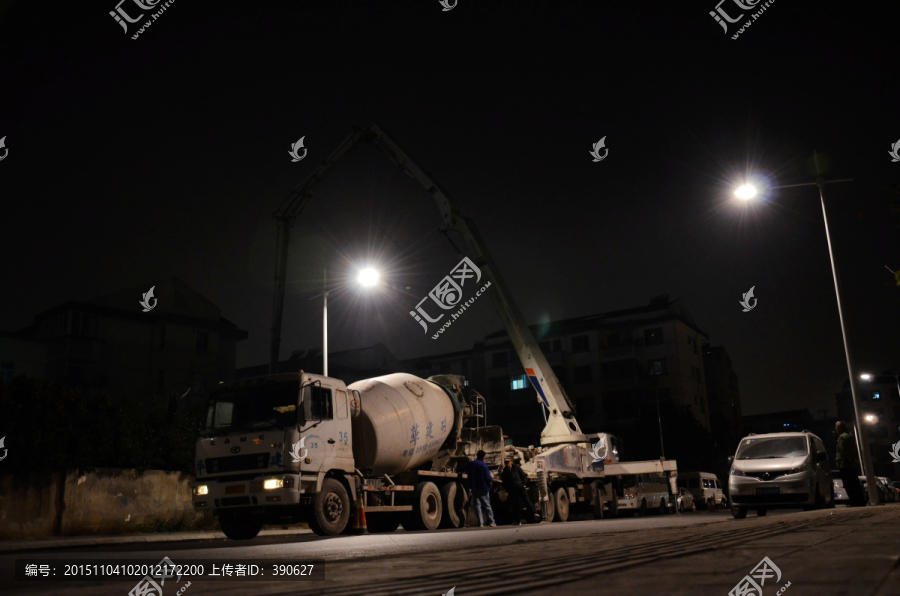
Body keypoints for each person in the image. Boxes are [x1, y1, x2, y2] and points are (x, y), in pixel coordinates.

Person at [833, 421, 866, 507]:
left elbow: (842, 452)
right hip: (852, 464)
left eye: (836, 428)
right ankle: (860, 501)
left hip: (845, 464)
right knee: (855, 484)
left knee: (848, 484)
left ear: (839, 428)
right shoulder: (850, 436)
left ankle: (854, 501)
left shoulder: (842, 438)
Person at [501, 456, 537, 524]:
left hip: (520, 487)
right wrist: (507, 489)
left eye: (508, 462)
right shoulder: (505, 471)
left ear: (511, 462)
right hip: (512, 489)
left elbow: (523, 476)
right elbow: (504, 481)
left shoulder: (516, 468)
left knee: (526, 500)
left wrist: (524, 484)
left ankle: (534, 513)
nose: (507, 464)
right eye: (505, 462)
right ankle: (517, 520)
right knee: (515, 504)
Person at [467, 450, 496, 527]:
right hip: (483, 488)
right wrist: (489, 485)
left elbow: (466, 470)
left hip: (474, 488)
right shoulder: (484, 465)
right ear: (484, 457)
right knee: (487, 505)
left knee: (477, 506)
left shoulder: (472, 464)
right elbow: (488, 477)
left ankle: (480, 523)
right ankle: (492, 522)